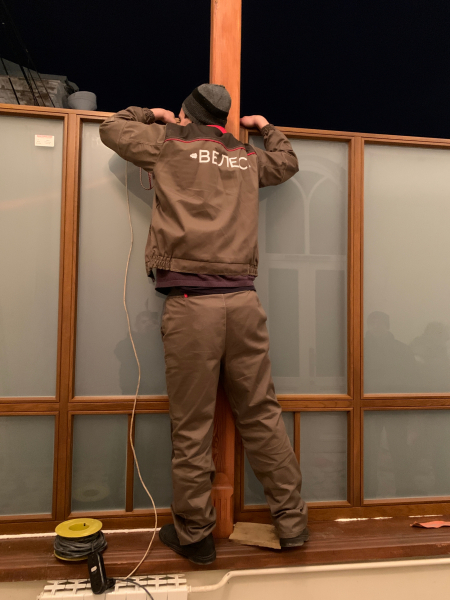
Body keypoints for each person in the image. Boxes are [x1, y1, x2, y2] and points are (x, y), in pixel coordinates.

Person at [99, 83, 308, 565]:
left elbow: (111, 127)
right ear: (225, 122)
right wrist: (265, 127)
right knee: (262, 414)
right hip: (244, 303)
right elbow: (288, 162)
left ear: (186, 113)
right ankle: (293, 524)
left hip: (192, 305)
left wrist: (151, 114)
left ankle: (195, 535)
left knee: (193, 425)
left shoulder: (168, 142)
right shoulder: (247, 157)